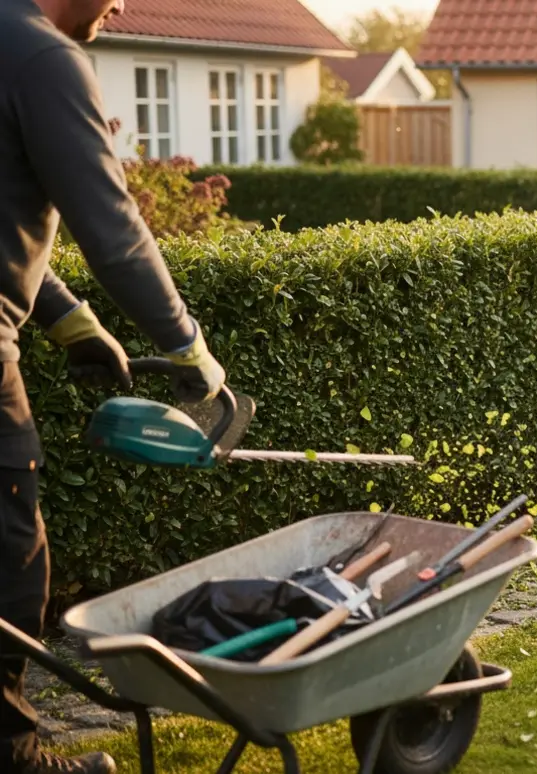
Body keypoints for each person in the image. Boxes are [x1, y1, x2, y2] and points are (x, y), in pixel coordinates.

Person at [1, 0, 227, 772]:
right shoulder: (44, 58)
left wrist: (69, 320)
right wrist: (188, 347)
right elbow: (115, 230)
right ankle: (13, 756)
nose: (122, 5)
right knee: (10, 560)